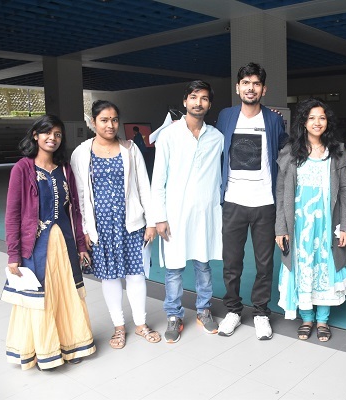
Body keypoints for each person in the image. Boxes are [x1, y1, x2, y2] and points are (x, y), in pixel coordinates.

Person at [2, 115, 96, 370]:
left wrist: (81, 245)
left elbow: (74, 212)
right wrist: (13, 254)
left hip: (64, 244)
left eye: (57, 134)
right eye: (47, 133)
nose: (52, 138)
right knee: (40, 295)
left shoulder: (64, 170)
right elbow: (12, 214)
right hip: (35, 246)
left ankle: (71, 344)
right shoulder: (23, 168)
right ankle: (44, 349)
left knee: (66, 293)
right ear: (35, 135)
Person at [71, 100, 160, 349]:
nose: (110, 125)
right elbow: (79, 194)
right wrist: (86, 229)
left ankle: (141, 324)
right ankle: (119, 327)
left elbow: (144, 185)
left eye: (114, 119)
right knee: (110, 279)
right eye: (104, 120)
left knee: (135, 275)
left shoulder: (130, 149)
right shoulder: (81, 153)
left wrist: (151, 222)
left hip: (131, 223)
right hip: (101, 227)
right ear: (93, 122)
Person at [275, 98, 346, 342]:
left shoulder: (337, 151)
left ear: (328, 122)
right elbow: (281, 193)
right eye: (311, 118)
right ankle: (306, 317)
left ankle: (322, 320)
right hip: (298, 226)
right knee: (301, 268)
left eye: (322, 117)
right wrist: (281, 228)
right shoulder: (290, 153)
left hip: (327, 226)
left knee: (327, 267)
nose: (317, 122)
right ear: (303, 122)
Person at [216, 62, 287, 339]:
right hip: (233, 201)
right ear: (238, 87)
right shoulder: (225, 116)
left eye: (256, 83)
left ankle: (260, 312)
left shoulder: (273, 118)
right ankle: (233, 310)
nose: (250, 87)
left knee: (264, 264)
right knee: (232, 262)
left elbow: (285, 148)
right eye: (246, 83)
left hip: (264, 203)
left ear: (263, 89)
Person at [151, 81, 223, 343]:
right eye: (194, 97)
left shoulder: (217, 137)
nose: (198, 103)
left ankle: (204, 310)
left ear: (209, 104)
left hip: (205, 212)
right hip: (175, 214)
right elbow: (158, 179)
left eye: (204, 98)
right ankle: (174, 314)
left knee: (203, 264)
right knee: (174, 268)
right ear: (185, 101)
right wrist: (159, 216)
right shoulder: (169, 136)